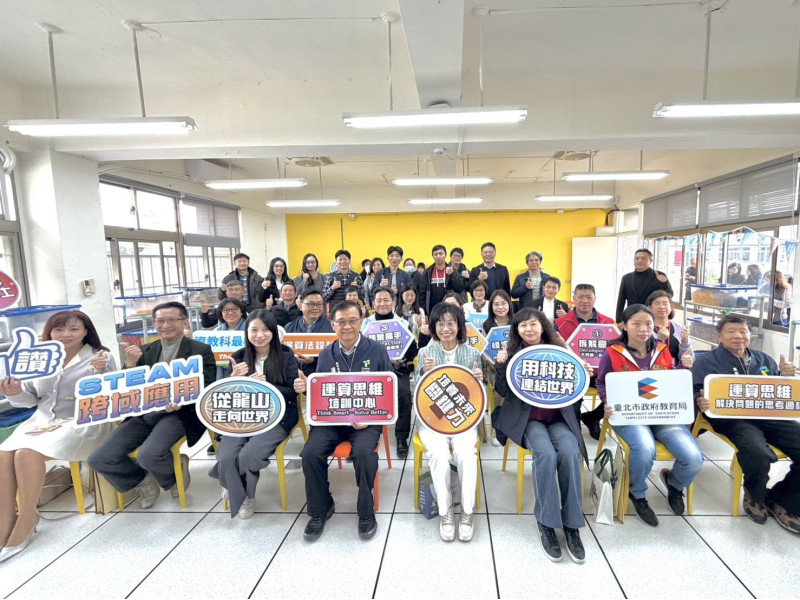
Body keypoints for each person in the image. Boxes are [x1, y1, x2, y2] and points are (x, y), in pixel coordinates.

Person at [0, 311, 115, 562]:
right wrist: (14, 392)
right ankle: (6, 518)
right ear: (50, 332)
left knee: (26, 454)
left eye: (74, 329)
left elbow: (112, 394)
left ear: (86, 332)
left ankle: (27, 518)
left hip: (82, 422)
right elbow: (30, 400)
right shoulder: (40, 359)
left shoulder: (100, 357)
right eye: (59, 329)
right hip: (42, 421)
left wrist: (101, 373)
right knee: (3, 453)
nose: (65, 334)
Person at [89, 302, 216, 509]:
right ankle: (141, 481)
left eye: (172, 320)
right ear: (154, 324)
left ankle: (172, 478)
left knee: (148, 455)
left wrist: (182, 400)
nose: (165, 325)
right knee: (99, 458)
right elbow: (126, 388)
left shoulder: (200, 350)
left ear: (184, 322)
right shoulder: (143, 350)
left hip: (179, 414)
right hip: (144, 414)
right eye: (160, 321)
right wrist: (129, 365)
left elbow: (207, 384)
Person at [492, 308, 587, 563]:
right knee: (544, 454)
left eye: (533, 324)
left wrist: (582, 372)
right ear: (516, 330)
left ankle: (572, 524)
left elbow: (575, 391)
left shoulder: (560, 351)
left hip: (558, 418)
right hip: (529, 420)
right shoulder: (512, 353)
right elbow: (502, 390)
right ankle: (547, 522)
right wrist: (501, 364)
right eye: (522, 326)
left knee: (570, 452)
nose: (529, 329)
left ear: (543, 326)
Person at [595, 304, 702, 527]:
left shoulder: (662, 349)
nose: (643, 329)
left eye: (648, 324)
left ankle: (674, 484)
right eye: (636, 324)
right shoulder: (612, 353)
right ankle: (637, 492)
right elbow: (601, 382)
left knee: (693, 458)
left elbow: (670, 379)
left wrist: (682, 368)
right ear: (624, 326)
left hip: (662, 414)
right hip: (630, 415)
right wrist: (606, 402)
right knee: (644, 448)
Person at [295, 301, 393, 542]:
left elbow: (387, 391)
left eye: (352, 321)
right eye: (341, 322)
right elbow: (322, 395)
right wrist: (308, 389)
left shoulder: (377, 351)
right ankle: (320, 508)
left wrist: (369, 417)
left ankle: (366, 511)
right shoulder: (326, 354)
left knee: (364, 454)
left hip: (366, 421)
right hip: (332, 422)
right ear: (333, 325)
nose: (347, 326)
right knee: (310, 453)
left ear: (362, 322)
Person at [692, 314, 800, 532]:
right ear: (719, 336)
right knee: (758, 452)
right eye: (731, 331)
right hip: (733, 420)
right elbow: (693, 390)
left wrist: (785, 376)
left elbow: (778, 390)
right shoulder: (706, 362)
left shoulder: (764, 359)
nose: (738, 336)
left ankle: (782, 498)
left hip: (769, 416)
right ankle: (755, 494)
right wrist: (699, 400)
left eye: (743, 331)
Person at [209, 310, 299, 520]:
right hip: (242, 415)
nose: (260, 335)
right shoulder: (238, 357)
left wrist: (267, 387)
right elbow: (226, 395)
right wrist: (234, 379)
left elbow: (292, 392)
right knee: (226, 456)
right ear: (246, 332)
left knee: (249, 456)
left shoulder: (286, 355)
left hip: (277, 417)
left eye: (265, 330)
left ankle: (240, 492)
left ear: (273, 332)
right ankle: (235, 484)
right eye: (254, 330)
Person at [417, 303, 483, 542]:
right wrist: (423, 374)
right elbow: (418, 393)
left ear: (459, 326)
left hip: (463, 419)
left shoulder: (472, 353)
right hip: (432, 419)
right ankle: (445, 511)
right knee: (439, 454)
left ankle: (467, 511)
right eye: (440, 324)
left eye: (450, 323)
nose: (445, 329)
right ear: (434, 327)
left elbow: (478, 396)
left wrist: (479, 380)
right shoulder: (425, 353)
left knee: (466, 453)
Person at [362, 287, 419, 458]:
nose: (382, 303)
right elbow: (360, 350)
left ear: (393, 303)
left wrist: (400, 358)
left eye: (386, 300)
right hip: (371, 370)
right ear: (373, 303)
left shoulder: (402, 323)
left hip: (397, 370)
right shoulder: (365, 324)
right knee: (361, 392)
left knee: (404, 395)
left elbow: (412, 350)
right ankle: (362, 436)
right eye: (378, 300)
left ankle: (401, 437)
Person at [555, 284, 616, 439]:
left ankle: (592, 417)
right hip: (573, 373)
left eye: (589, 297)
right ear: (573, 299)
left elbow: (617, 349)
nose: (584, 301)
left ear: (595, 299)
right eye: (580, 297)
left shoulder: (608, 323)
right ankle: (574, 428)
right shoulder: (560, 323)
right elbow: (554, 352)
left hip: (600, 373)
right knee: (571, 397)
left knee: (620, 390)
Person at [284, 290, 334, 377]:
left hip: (321, 377)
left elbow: (335, 357)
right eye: (310, 304)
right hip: (294, 377)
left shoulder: (332, 327)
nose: (315, 307)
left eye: (319, 304)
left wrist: (314, 360)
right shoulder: (289, 327)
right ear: (300, 306)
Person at [615, 248, 673, 323]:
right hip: (631, 316)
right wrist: (619, 320)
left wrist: (665, 283)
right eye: (637, 258)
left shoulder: (659, 275)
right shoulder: (626, 278)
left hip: (652, 317)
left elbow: (670, 294)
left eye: (643, 258)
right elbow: (621, 300)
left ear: (650, 261)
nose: (639, 261)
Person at [646, 290, 692, 368]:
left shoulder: (680, 328)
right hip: (653, 370)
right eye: (657, 303)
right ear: (649, 308)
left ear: (671, 307)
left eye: (665, 303)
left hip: (677, 370)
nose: (662, 307)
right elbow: (643, 356)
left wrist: (685, 342)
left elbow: (689, 357)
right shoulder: (645, 329)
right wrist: (659, 340)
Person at [425, 245, 465, 314]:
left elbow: (459, 288)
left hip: (449, 309)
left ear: (445, 255)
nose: (438, 256)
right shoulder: (428, 272)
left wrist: (452, 274)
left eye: (440, 254)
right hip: (433, 309)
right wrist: (425, 313)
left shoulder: (453, 271)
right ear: (433, 256)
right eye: (435, 254)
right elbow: (422, 293)